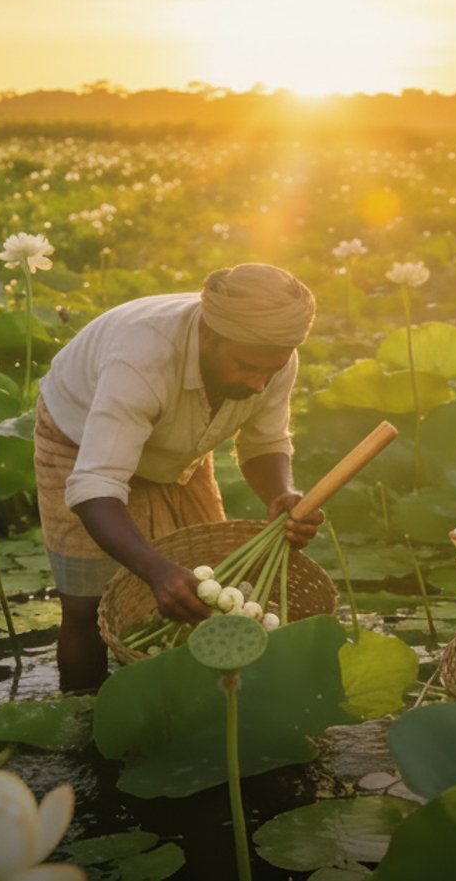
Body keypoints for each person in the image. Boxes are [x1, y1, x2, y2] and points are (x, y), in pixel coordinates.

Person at [34, 264, 325, 692]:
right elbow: (95, 485)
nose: (260, 384)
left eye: (271, 370)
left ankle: (196, 702)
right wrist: (154, 569)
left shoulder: (272, 358)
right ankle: (84, 721)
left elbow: (264, 443)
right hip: (80, 440)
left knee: (206, 589)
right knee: (85, 606)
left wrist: (281, 494)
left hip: (180, 445)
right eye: (246, 367)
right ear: (207, 335)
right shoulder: (141, 357)